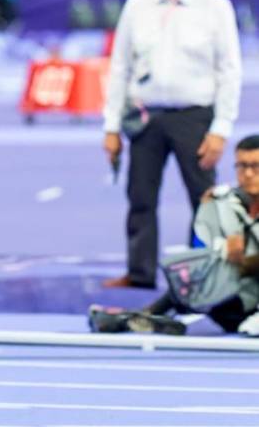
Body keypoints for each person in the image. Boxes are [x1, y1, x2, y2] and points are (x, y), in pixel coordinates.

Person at [102, 0, 242, 289]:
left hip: (195, 117)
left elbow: (229, 71)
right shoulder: (137, 6)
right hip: (145, 116)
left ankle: (206, 274)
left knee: (204, 201)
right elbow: (119, 68)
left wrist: (221, 128)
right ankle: (139, 272)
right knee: (140, 198)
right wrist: (111, 127)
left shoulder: (216, 8)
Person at [90, 135, 259, 336]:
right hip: (229, 300)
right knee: (195, 273)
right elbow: (203, 250)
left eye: (256, 166)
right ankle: (144, 318)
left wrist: (244, 260)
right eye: (241, 166)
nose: (248, 174)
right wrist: (224, 250)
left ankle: (143, 316)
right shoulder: (221, 201)